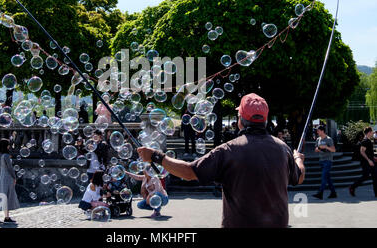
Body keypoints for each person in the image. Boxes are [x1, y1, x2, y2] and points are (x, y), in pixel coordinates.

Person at [137, 93, 305, 228]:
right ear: (265, 119)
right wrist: (299, 160)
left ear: (241, 119)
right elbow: (298, 177)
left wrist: (156, 156)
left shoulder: (229, 150)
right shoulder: (283, 149)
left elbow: (189, 172)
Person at [0, 138, 20, 224]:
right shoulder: (6, 156)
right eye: (8, 145)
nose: (9, 146)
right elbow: (10, 168)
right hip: (8, 178)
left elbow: (0, 169)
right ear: (6, 146)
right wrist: (14, 177)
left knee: (3, 197)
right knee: (5, 197)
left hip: (2, 178)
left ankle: (5, 217)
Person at [349, 127, 377, 197]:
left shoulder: (368, 140)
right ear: (369, 132)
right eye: (372, 132)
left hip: (370, 161)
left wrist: (373, 157)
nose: (372, 133)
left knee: (375, 176)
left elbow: (368, 152)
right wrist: (369, 160)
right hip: (366, 162)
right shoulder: (365, 141)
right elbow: (362, 151)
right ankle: (352, 187)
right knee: (366, 176)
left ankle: (376, 193)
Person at [312, 125, 337, 200]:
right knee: (327, 178)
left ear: (322, 131)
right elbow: (316, 149)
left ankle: (320, 193)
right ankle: (333, 193)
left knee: (324, 177)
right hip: (321, 160)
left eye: (318, 130)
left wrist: (326, 147)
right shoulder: (318, 139)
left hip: (328, 161)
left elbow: (333, 150)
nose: (317, 132)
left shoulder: (329, 139)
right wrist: (319, 149)